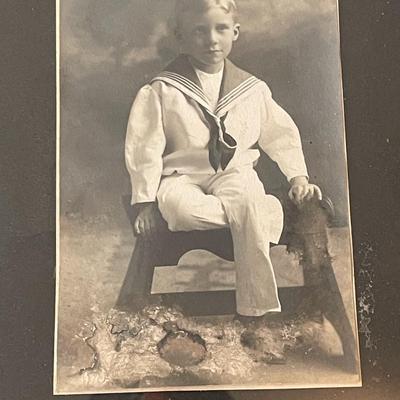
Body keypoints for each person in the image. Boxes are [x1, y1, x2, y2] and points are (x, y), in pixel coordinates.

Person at [125, 0, 322, 322]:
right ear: (181, 37)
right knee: (181, 211)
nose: (212, 40)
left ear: (235, 32)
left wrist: (298, 177)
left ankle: (254, 314)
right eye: (199, 31)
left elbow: (280, 134)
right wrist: (145, 201)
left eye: (220, 29)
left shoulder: (252, 89)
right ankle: (264, 210)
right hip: (181, 176)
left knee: (244, 197)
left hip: (234, 172)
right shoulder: (163, 89)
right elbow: (144, 146)